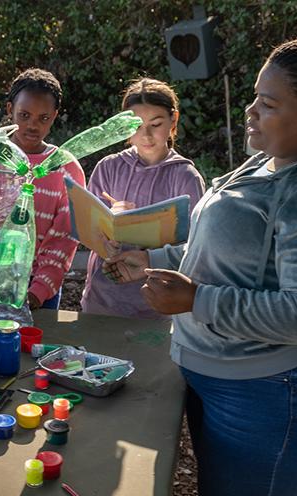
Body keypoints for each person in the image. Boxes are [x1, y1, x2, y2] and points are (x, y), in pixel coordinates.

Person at [105, 10, 297, 496]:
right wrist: (153, 257)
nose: (249, 112)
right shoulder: (270, 159)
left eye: (266, 104)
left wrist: (196, 299)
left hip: (273, 393)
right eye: (254, 97)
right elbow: (224, 252)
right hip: (221, 378)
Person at [0, 68, 85, 310]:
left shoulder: (64, 169)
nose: (32, 125)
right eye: (24, 115)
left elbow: (64, 239)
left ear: (54, 116)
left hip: (39, 293)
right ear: (10, 110)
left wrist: (37, 293)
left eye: (43, 118)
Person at [80, 78, 206, 318]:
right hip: (101, 300)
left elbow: (196, 247)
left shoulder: (185, 176)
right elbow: (86, 231)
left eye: (156, 124)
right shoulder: (108, 167)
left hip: (156, 307)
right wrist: (107, 227)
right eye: (136, 126)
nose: (146, 136)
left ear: (174, 120)